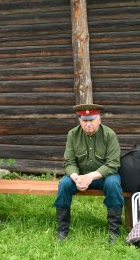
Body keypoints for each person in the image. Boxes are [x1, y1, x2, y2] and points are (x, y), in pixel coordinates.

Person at [55, 103, 122, 243]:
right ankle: (62, 230)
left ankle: (114, 231)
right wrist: (76, 178)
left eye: (92, 120)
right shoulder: (73, 134)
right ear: (80, 121)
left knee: (114, 183)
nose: (88, 124)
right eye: (85, 121)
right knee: (64, 184)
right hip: (79, 176)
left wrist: (90, 177)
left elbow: (113, 164)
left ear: (99, 119)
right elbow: (69, 162)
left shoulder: (109, 134)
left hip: (103, 176)